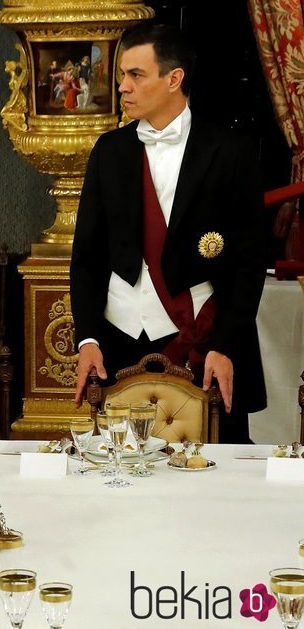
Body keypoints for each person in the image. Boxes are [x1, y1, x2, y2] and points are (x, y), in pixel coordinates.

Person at [70, 23, 267, 444]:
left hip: (201, 341)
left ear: (174, 78)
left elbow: (249, 262)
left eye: (135, 75)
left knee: (211, 474)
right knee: (122, 474)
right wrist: (87, 338)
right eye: (122, 75)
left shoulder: (231, 153)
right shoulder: (109, 151)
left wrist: (226, 345)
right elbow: (87, 256)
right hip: (119, 342)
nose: (123, 86)